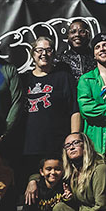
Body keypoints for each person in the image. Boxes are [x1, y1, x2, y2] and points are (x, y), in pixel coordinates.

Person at [21, 36, 81, 176]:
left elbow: (74, 110)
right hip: (28, 148)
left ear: (53, 53)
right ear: (32, 53)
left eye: (48, 50)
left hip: (57, 147)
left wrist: (73, 140)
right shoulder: (23, 79)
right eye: (39, 50)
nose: (44, 54)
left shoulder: (64, 77)